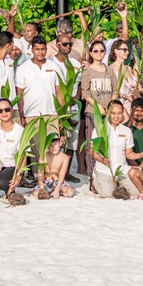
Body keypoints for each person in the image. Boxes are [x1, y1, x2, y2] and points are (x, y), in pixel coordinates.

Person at [15, 35, 62, 159]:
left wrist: (61, 114)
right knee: (36, 148)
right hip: (31, 114)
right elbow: (19, 94)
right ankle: (38, 176)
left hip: (52, 114)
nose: (40, 52)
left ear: (46, 49)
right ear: (32, 50)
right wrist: (22, 115)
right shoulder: (23, 68)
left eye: (43, 49)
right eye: (37, 49)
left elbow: (59, 92)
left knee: (53, 146)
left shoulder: (54, 66)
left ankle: (50, 175)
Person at [91, 100, 143, 198]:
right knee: (108, 195)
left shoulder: (126, 131)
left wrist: (141, 154)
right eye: (113, 113)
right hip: (104, 170)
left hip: (121, 170)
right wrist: (102, 160)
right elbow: (92, 152)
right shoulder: (99, 129)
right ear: (108, 112)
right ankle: (94, 181)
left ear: (123, 112)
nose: (116, 116)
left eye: (119, 113)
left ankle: (118, 185)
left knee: (136, 193)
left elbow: (129, 154)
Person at [81, 40, 117, 179]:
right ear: (91, 53)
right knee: (92, 142)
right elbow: (86, 94)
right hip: (93, 111)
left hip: (109, 111)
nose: (99, 53)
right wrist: (98, 108)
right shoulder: (87, 71)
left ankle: (107, 171)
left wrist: (111, 106)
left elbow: (115, 89)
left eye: (102, 51)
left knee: (108, 141)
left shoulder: (110, 70)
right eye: (95, 51)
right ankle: (92, 174)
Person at [49, 33, 82, 182]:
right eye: (64, 44)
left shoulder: (75, 63)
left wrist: (75, 99)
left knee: (71, 142)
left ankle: (66, 172)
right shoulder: (50, 63)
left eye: (70, 44)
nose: (68, 47)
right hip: (56, 108)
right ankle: (52, 171)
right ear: (57, 45)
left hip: (73, 107)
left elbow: (79, 85)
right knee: (56, 140)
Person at [0, 98, 25, 199]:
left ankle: (9, 190)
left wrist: (19, 175)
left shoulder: (20, 130)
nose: (4, 113)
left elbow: (24, 155)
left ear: (12, 110)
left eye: (7, 109)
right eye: (0, 111)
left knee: (0, 182)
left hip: (11, 166)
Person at [108, 39, 137, 115]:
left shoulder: (129, 68)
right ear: (116, 51)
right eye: (124, 50)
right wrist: (124, 96)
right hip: (119, 105)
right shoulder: (110, 68)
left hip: (132, 105)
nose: (127, 52)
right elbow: (109, 90)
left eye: (128, 50)